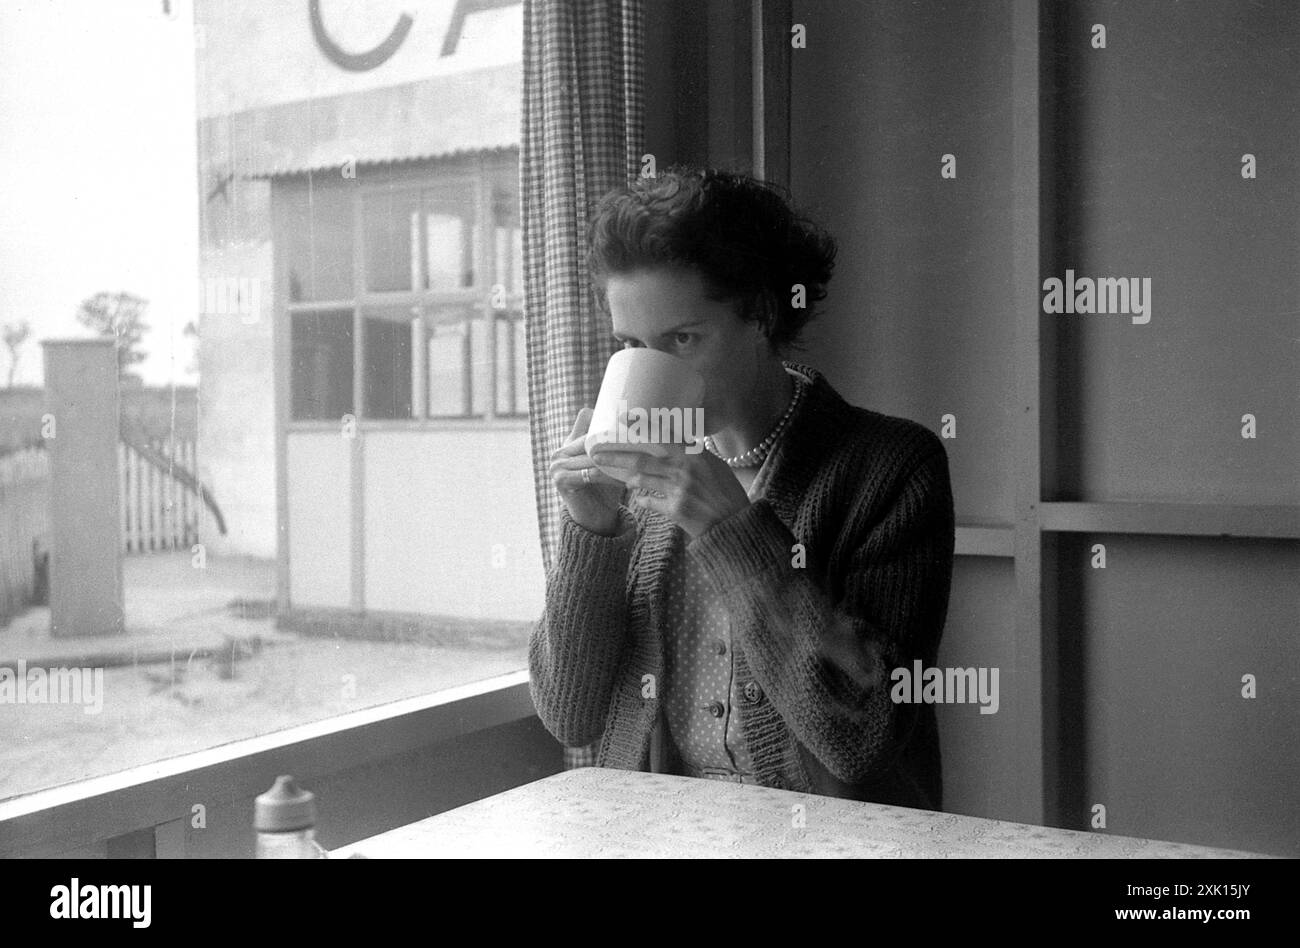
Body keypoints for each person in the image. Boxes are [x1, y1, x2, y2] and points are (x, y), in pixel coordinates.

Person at [529, 167, 955, 808]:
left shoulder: (891, 467)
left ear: (760, 313)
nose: (653, 370)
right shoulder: (635, 493)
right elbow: (570, 715)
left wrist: (736, 533)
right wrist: (593, 534)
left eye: (682, 338)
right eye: (632, 344)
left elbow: (861, 734)